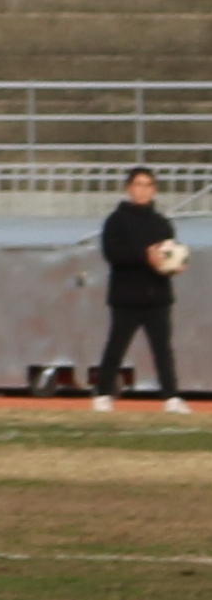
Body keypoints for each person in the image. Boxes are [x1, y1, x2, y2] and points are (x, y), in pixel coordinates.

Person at [92, 165, 190, 414]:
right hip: (126, 296)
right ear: (128, 188)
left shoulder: (161, 223)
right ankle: (103, 394)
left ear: (154, 190)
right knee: (116, 345)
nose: (143, 190)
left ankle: (171, 397)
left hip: (157, 296)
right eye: (138, 185)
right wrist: (145, 256)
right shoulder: (116, 221)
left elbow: (170, 251)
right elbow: (113, 254)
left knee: (163, 349)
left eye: (148, 185)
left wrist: (173, 265)